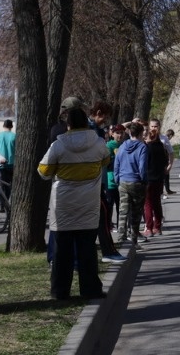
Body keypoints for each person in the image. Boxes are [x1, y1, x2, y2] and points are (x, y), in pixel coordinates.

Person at [38, 107, 109, 300]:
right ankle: (90, 289)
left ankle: (60, 291)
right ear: (86, 123)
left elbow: (43, 171)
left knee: (62, 251)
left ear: (68, 125)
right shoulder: (99, 144)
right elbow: (105, 162)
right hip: (89, 203)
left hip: (63, 205)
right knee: (88, 248)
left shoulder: (58, 146)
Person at [115, 122, 148, 248]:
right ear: (140, 133)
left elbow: (117, 163)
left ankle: (121, 238)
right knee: (136, 212)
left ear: (130, 133)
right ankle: (133, 240)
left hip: (123, 181)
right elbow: (142, 167)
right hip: (136, 182)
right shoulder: (142, 147)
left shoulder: (123, 145)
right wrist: (144, 181)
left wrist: (117, 179)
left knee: (123, 211)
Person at [142, 119, 169, 236]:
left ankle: (149, 227)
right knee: (157, 203)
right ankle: (157, 227)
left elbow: (144, 163)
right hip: (159, 178)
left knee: (148, 204)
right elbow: (165, 161)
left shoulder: (146, 148)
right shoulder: (161, 146)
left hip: (148, 178)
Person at [0, 118, 16, 199]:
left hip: (0, 164)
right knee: (8, 185)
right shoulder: (15, 136)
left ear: (3, 126)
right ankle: (7, 201)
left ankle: (0, 203)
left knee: (0, 186)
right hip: (11, 164)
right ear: (11, 126)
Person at [105, 124, 124, 229]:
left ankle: (120, 227)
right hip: (110, 180)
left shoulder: (124, 145)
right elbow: (106, 164)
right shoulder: (109, 146)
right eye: (117, 133)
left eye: (121, 133)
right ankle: (108, 226)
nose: (120, 135)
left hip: (121, 180)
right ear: (112, 134)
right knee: (109, 204)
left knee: (120, 205)